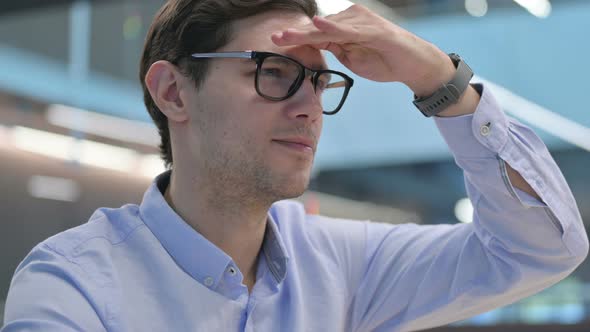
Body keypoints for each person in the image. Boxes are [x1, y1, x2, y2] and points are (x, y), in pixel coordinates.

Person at [2, 0, 588, 331]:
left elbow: (538, 249)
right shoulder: (72, 289)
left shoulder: (342, 265)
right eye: (275, 72)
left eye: (318, 80)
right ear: (174, 93)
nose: (311, 107)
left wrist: (438, 79)